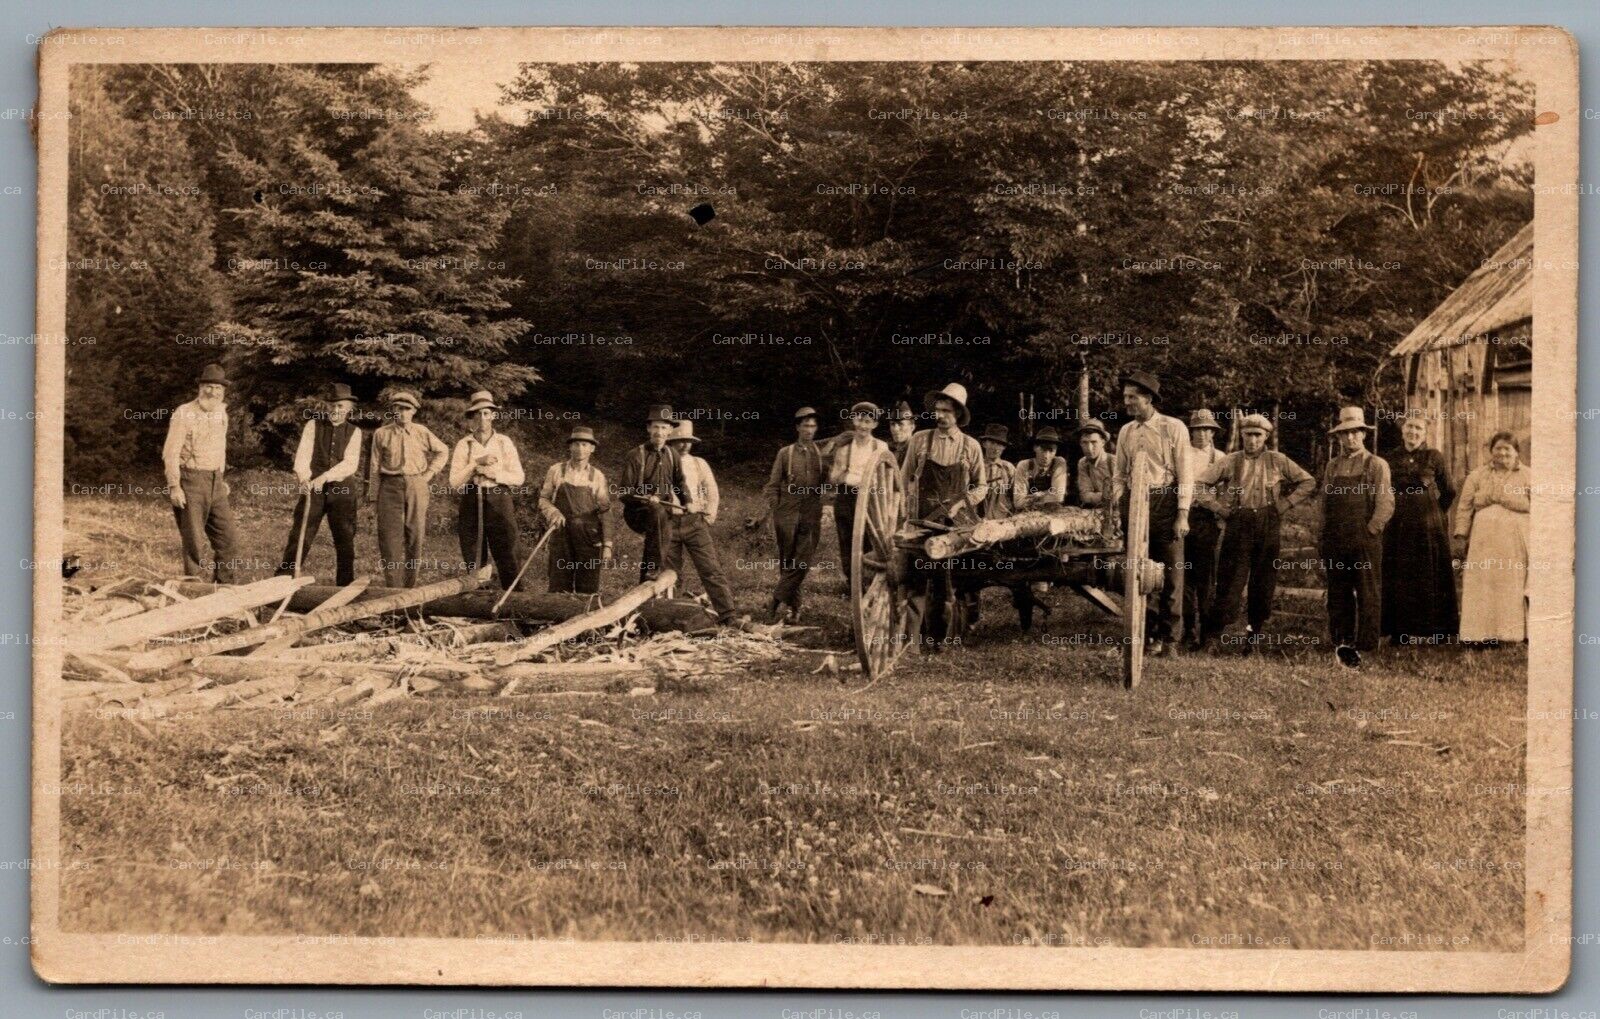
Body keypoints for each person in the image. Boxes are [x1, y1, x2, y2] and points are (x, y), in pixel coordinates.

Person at [1194, 413, 1315, 653]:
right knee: (1229, 583)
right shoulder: (1231, 461)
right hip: (1239, 523)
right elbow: (1199, 484)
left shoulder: (1277, 460)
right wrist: (1218, 507)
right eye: (1248, 435)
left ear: (1266, 436)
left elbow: (1308, 482)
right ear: (1241, 435)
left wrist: (1285, 504)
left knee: (1263, 585)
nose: (1252, 440)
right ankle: (1212, 638)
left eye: (1257, 435)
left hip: (1268, 524)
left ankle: (1253, 638)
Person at [1110, 370, 1191, 656]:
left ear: (1148, 399)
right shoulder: (1126, 431)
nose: (1127, 403)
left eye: (1132, 397)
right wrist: (1120, 504)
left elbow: (1185, 475)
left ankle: (1169, 640)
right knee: (1138, 574)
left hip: (1165, 502)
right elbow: (1119, 475)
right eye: (1125, 397)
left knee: (1171, 575)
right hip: (1135, 503)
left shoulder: (1173, 428)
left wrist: (1182, 513)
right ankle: (1142, 638)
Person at [902, 382, 988, 645]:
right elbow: (904, 480)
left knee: (944, 582)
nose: (940, 416)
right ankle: (911, 641)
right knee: (915, 577)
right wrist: (906, 511)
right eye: (937, 410)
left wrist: (963, 503)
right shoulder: (919, 441)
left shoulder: (970, 446)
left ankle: (940, 639)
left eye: (946, 411)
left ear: (958, 415)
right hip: (920, 520)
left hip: (954, 525)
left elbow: (982, 486)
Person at [1319, 406, 1394, 666]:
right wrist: (1323, 534)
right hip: (1336, 538)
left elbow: (1386, 502)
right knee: (1338, 592)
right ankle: (1341, 641)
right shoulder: (1333, 466)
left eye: (1355, 433)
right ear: (1338, 437)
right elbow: (1324, 503)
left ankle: (1367, 645)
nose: (1350, 438)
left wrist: (1371, 530)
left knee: (1367, 592)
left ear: (1363, 434)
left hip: (1364, 539)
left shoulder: (1376, 465)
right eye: (1345, 434)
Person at [1382, 415, 1459, 646]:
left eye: (1418, 428)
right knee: (1400, 572)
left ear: (1425, 433)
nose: (1413, 432)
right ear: (1402, 430)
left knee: (1431, 572)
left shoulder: (1434, 457)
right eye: (1409, 427)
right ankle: (1400, 631)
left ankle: (1438, 631)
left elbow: (1450, 491)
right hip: (1397, 524)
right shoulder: (1390, 458)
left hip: (1428, 525)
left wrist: (1433, 512)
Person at [276, 383, 363, 586]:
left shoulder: (355, 431)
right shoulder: (313, 425)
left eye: (341, 406)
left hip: (342, 490)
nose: (336, 410)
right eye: (332, 405)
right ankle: (282, 582)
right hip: (312, 489)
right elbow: (303, 456)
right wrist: (304, 478)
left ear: (349, 408)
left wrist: (323, 478)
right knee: (300, 534)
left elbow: (350, 463)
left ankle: (344, 585)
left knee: (344, 539)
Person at [162, 362, 241, 583]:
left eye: (218, 388)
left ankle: (225, 590)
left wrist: (221, 478)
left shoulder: (222, 413)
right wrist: (174, 486)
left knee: (229, 540)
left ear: (223, 391)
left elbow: (221, 448)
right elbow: (171, 452)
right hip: (191, 481)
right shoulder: (184, 413)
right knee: (193, 542)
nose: (213, 392)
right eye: (209, 386)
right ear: (200, 387)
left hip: (215, 481)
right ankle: (193, 590)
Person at [366, 388, 450, 588]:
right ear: (393, 410)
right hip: (389, 485)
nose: (402, 413)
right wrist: (373, 498)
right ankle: (393, 587)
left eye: (406, 409)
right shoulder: (382, 433)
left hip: (416, 485)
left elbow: (443, 450)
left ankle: (410, 586)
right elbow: (374, 466)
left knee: (415, 534)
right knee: (389, 536)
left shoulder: (422, 432)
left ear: (413, 411)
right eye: (398, 408)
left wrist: (429, 474)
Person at [1454, 432, 1530, 644]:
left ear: (1516, 452)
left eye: (1508, 448)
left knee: (1510, 584)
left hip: (1514, 542)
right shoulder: (1477, 476)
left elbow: (1542, 507)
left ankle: (1510, 634)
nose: (1503, 453)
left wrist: (1507, 500)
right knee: (1483, 583)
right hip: (1483, 542)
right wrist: (1461, 535)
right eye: (1498, 448)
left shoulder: (1528, 475)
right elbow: (1464, 507)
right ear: (1491, 452)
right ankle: (1478, 634)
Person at [447, 391, 525, 590]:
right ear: (472, 417)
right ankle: (478, 596)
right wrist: (475, 464)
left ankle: (514, 597)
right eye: (478, 414)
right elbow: (455, 482)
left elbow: (518, 477)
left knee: (507, 548)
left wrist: (493, 474)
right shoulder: (464, 444)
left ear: (493, 415)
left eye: (486, 413)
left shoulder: (503, 442)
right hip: (472, 499)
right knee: (473, 549)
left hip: (499, 498)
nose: (482, 418)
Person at [664, 421, 740, 623]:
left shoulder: (699, 463)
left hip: (694, 522)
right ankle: (671, 617)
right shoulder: (661, 461)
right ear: (670, 442)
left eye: (688, 441)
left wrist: (708, 516)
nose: (684, 445)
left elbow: (711, 491)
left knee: (710, 569)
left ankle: (728, 615)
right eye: (680, 441)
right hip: (668, 522)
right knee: (669, 574)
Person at [761, 407, 826, 622]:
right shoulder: (785, 453)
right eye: (805, 425)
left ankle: (775, 601)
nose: (809, 430)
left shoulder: (821, 454)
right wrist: (776, 509)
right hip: (786, 511)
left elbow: (829, 482)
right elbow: (772, 485)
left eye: (813, 426)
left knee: (802, 561)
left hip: (811, 511)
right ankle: (795, 607)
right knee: (788, 561)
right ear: (797, 427)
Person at [539, 425, 614, 595]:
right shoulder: (556, 470)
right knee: (558, 583)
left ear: (592, 449)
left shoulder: (597, 476)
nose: (580, 449)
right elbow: (543, 499)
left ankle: (585, 620)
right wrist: (553, 512)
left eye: (585, 445)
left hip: (588, 537)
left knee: (587, 587)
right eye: (577, 444)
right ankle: (555, 619)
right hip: (561, 534)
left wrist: (607, 544)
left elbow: (606, 511)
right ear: (570, 446)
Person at [826, 402, 891, 588]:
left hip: (871, 497)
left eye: (868, 421)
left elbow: (886, 476)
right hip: (847, 496)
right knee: (846, 539)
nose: (863, 426)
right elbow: (834, 478)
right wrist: (844, 475)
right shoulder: (845, 448)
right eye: (860, 420)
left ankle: (869, 581)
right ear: (853, 420)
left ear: (875, 425)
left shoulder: (881, 447)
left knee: (870, 539)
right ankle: (851, 582)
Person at [1181, 408, 1227, 646]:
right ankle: (1188, 630)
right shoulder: (1182, 453)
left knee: (1205, 578)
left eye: (1207, 429)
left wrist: (1220, 515)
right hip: (1183, 516)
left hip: (1207, 519)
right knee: (1184, 575)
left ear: (1213, 432)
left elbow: (1225, 491)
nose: (1202, 434)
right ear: (1191, 431)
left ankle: (1207, 633)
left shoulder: (1219, 457)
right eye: (1198, 429)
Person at [1012, 427, 1069, 511]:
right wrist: (1048, 494)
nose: (1046, 456)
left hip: (1053, 512)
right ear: (1035, 447)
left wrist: (1037, 495)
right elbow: (1018, 502)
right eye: (1043, 449)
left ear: (1056, 451)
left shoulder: (1059, 463)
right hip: (1028, 514)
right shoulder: (1024, 465)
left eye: (1051, 450)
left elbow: (1058, 497)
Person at [977, 423, 1016, 519]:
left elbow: (1016, 495)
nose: (995, 448)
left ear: (1004, 447)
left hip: (1002, 521)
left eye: (999, 444)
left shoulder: (1008, 468)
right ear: (984, 444)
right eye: (992, 442)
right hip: (976, 520)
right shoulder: (976, 466)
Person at [1075, 421, 1113, 511]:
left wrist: (1109, 496)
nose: (1089, 448)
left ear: (1103, 442)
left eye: (1094, 442)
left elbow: (1121, 495)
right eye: (1085, 442)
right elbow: (1085, 496)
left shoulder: (1114, 462)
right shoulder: (1083, 463)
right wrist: (1105, 496)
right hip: (1095, 512)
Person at [886, 400, 917, 468]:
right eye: (892, 424)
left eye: (900, 424)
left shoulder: (917, 452)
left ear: (912, 427)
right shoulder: (890, 451)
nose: (895, 429)